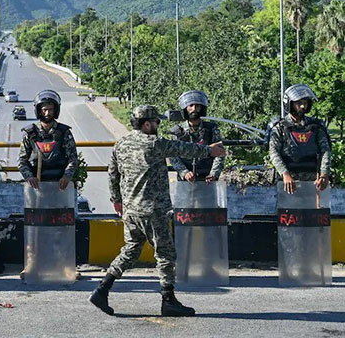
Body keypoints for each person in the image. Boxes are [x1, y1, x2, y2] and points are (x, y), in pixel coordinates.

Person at [89, 105, 225, 317]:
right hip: (153, 211)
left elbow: (112, 174)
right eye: (156, 122)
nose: (159, 125)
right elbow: (183, 149)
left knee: (131, 250)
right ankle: (168, 299)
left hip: (131, 210)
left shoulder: (121, 144)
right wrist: (211, 150)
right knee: (165, 254)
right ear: (146, 124)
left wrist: (117, 200)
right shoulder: (154, 143)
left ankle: (102, 289)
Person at [269, 84, 331, 194]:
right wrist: (285, 174)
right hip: (288, 184)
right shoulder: (280, 127)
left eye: (305, 103)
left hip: (313, 183)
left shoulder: (316, 126)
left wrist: (324, 174)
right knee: (286, 211)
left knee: (316, 211)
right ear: (290, 104)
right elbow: (273, 152)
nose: (303, 106)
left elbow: (325, 150)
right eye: (299, 103)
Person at [17, 90, 77, 190]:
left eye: (50, 109)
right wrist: (29, 177)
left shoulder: (64, 133)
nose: (47, 113)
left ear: (55, 111)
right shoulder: (30, 133)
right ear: (39, 111)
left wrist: (66, 176)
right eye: (44, 110)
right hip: (36, 186)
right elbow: (22, 160)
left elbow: (73, 158)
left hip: (59, 186)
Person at [169, 90, 225, 183]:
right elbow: (173, 156)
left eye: (197, 106)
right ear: (185, 108)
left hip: (208, 180)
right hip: (185, 182)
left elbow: (220, 153)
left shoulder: (211, 129)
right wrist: (184, 172)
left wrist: (214, 174)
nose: (194, 109)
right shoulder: (177, 131)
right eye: (191, 106)